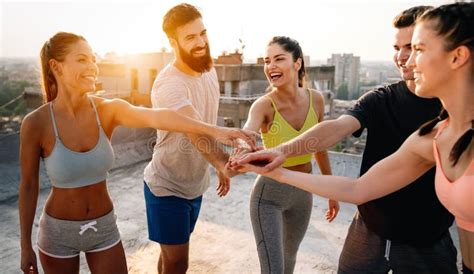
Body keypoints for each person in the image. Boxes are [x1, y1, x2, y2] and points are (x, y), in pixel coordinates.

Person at [236, 2, 473, 274]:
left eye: (416, 49)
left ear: (457, 57)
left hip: (427, 241)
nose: (405, 59)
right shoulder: (430, 134)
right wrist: (280, 161)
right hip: (368, 229)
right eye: (399, 49)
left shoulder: (442, 129)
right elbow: (352, 175)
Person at [18, 32, 256, 274]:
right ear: (56, 66)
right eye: (82, 59)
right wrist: (25, 245)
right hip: (58, 233)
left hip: (104, 227)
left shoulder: (107, 110)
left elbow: (164, 116)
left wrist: (217, 132)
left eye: (93, 59)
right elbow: (28, 186)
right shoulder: (36, 123)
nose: (92, 66)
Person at [142, 3, 241, 273]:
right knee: (178, 263)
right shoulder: (169, 84)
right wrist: (222, 161)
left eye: (203, 33)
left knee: (170, 256)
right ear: (173, 42)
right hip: (167, 186)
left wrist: (217, 165)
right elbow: (196, 131)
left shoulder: (208, 70)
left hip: (195, 185)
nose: (200, 42)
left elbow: (208, 121)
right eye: (190, 37)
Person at [236, 36, 339, 273]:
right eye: (266, 61)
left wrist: (330, 190)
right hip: (269, 195)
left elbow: (320, 146)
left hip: (304, 193)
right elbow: (248, 133)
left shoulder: (317, 100)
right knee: (273, 269)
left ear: (297, 63)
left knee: (289, 260)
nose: (270, 66)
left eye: (279, 59)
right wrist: (242, 147)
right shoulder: (263, 105)